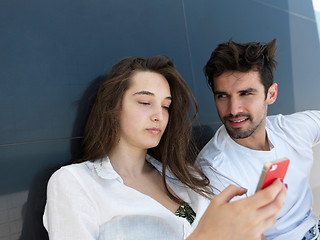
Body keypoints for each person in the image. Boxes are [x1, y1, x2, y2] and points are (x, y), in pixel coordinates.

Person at [43, 55, 287, 240]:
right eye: (145, 102)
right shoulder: (75, 184)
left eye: (166, 106)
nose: (159, 115)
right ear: (113, 107)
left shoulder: (185, 177)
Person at [199, 39, 320, 240]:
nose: (233, 109)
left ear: (270, 94)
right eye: (222, 96)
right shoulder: (214, 170)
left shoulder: (290, 129)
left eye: (246, 94)